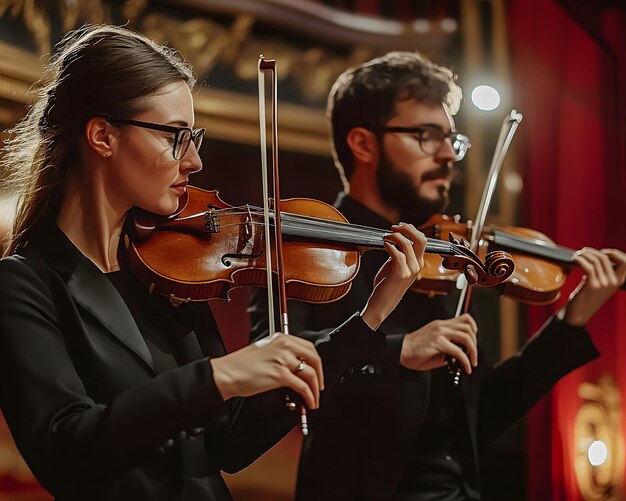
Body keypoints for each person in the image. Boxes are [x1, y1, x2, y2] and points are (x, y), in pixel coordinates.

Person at [0, 26, 428, 501]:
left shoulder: (165, 271)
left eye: (194, 137)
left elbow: (230, 444)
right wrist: (220, 376)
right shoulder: (24, 286)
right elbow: (68, 446)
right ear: (103, 135)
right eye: (176, 137)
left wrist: (369, 318)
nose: (196, 161)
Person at [248, 51, 626, 500]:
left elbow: (477, 420)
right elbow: (271, 383)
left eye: (453, 139)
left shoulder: (446, 259)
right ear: (364, 144)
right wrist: (397, 350)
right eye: (428, 136)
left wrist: (571, 321)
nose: (449, 154)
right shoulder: (302, 253)